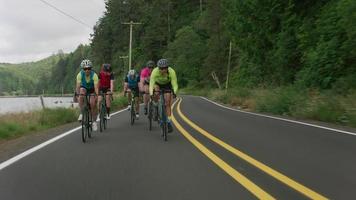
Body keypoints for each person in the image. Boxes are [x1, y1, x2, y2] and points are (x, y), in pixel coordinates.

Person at [149, 58, 178, 133]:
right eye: (161, 68)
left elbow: (174, 84)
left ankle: (168, 121)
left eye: (164, 68)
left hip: (167, 85)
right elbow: (151, 83)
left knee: (167, 102)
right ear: (158, 68)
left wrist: (174, 92)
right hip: (157, 84)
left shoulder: (171, 72)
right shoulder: (155, 71)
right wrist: (151, 93)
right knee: (156, 92)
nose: (162, 70)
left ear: (167, 68)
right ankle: (155, 105)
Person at [76, 59, 99, 131]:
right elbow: (78, 86)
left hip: (92, 90)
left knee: (92, 104)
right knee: (81, 93)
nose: (87, 70)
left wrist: (97, 96)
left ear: (91, 69)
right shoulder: (80, 75)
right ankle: (82, 113)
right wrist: (77, 94)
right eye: (85, 69)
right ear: (83, 69)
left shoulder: (94, 75)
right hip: (84, 88)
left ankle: (94, 122)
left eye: (89, 68)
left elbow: (96, 88)